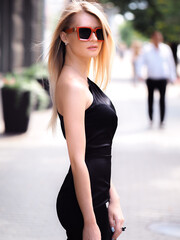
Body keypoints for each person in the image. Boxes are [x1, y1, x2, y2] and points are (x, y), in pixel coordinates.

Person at [47, 1, 124, 240]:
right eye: (84, 32)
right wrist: (90, 223)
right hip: (83, 206)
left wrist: (114, 199)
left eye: (99, 32)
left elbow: (98, 152)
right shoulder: (71, 85)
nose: (94, 38)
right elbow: (79, 160)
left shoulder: (83, 82)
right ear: (65, 36)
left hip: (96, 197)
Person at [137, 31, 177, 127]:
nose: (157, 40)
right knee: (150, 99)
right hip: (151, 78)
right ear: (152, 38)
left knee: (162, 100)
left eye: (159, 38)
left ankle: (162, 120)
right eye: (155, 38)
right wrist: (140, 74)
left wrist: (173, 77)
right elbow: (140, 61)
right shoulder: (147, 49)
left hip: (163, 78)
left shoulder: (166, 49)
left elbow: (171, 63)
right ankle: (151, 118)